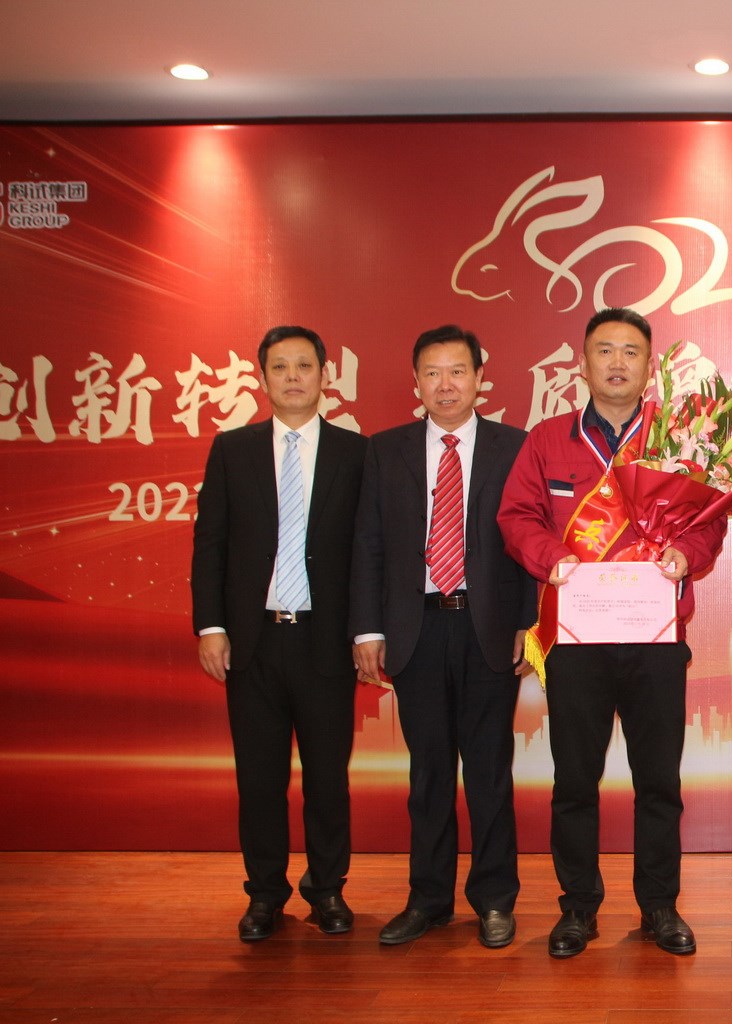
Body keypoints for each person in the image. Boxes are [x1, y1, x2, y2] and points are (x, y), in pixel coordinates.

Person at [498, 307, 727, 958]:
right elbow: (516, 516)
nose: (618, 362)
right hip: (576, 641)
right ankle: (577, 908)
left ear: (650, 366)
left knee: (658, 782)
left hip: (655, 639)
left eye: (631, 351)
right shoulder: (548, 441)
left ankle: (660, 906)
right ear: (583, 362)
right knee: (575, 781)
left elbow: (710, 519)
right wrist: (552, 558)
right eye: (605, 350)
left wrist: (686, 554)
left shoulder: (680, 438)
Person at [350, 324, 536, 949]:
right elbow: (368, 545)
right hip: (417, 628)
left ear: (480, 378)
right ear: (416, 383)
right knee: (428, 774)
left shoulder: (515, 447)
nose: (446, 384)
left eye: (458, 371)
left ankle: (494, 900)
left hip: (489, 630)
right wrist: (368, 628)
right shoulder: (386, 450)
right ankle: (427, 899)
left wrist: (530, 623)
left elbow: (531, 540)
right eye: (432, 373)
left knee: (489, 773)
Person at [191, 325, 368, 942]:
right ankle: (265, 894)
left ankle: (327, 889)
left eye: (304, 365)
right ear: (262, 378)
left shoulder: (356, 452)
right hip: (253, 642)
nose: (293, 377)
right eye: (280, 366)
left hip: (326, 642)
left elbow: (368, 552)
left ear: (325, 375)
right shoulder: (232, 450)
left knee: (327, 779)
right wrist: (211, 626)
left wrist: (365, 631)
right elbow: (210, 544)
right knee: (259, 779)